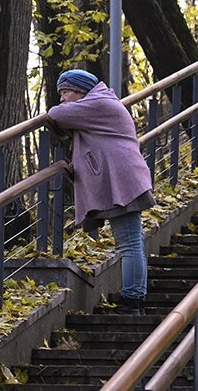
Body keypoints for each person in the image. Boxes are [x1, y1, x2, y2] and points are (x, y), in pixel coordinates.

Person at [46, 69, 155, 315]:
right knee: (131, 241)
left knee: (129, 242)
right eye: (61, 93)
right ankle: (134, 295)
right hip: (124, 179)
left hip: (122, 182)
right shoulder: (102, 102)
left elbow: (56, 114)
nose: (62, 98)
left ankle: (133, 301)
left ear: (82, 91)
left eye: (66, 92)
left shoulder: (98, 103)